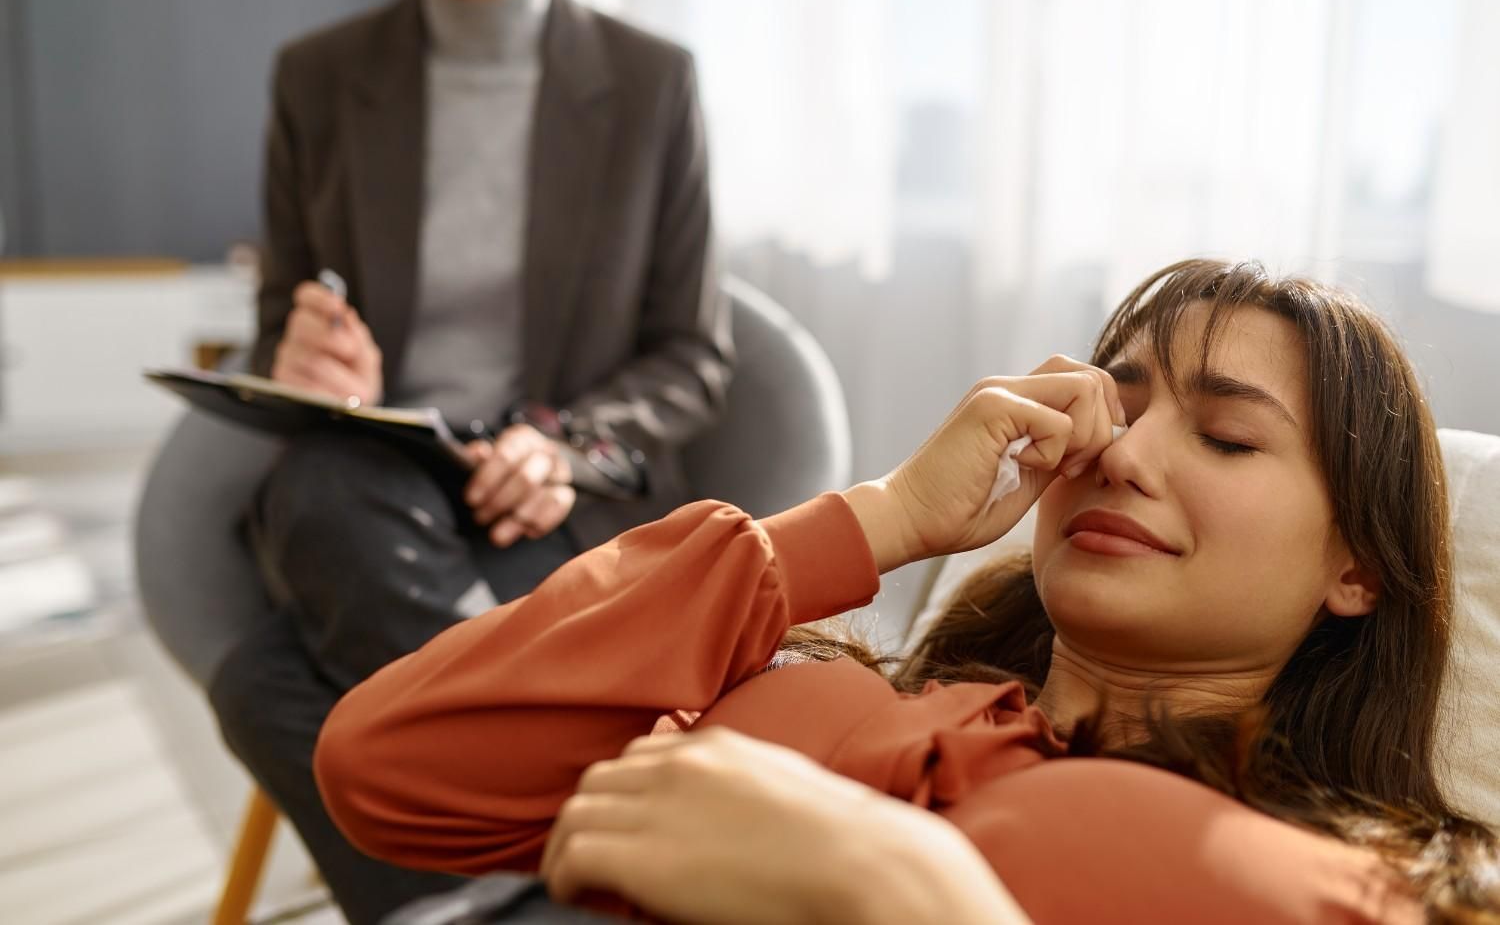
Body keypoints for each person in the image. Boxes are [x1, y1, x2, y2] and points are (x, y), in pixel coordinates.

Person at [313, 260, 1500, 923]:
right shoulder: (803, 686)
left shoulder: (1375, 890)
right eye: (1118, 407)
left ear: (1360, 569)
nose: (1127, 456)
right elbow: (387, 763)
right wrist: (882, 516)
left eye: (1229, 439)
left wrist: (899, 890)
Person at [206, 0, 733, 921]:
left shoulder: (652, 80)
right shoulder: (317, 79)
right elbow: (284, 313)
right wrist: (319, 360)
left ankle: (493, 891)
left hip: (549, 495)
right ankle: (569, 859)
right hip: (380, 471)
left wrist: (564, 445)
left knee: (262, 683)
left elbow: (693, 357)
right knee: (325, 486)